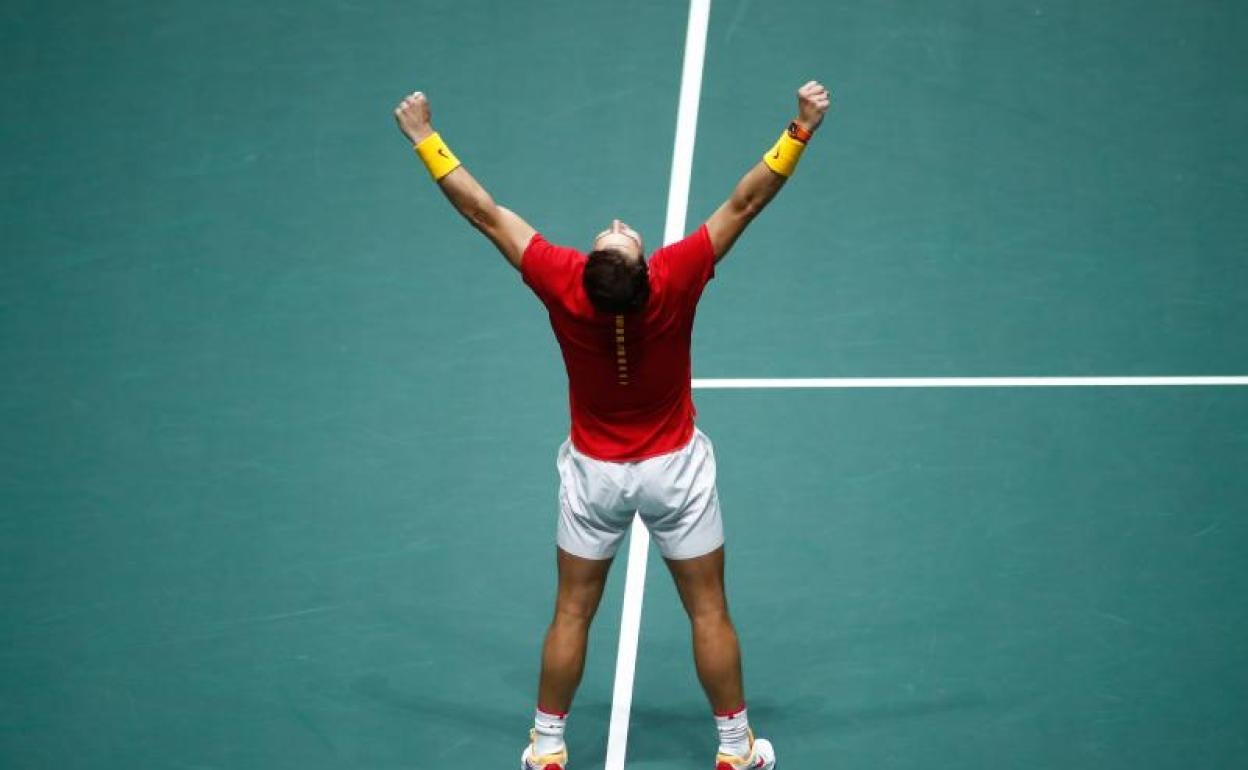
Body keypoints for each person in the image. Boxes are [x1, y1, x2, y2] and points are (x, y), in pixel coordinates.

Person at [394, 80, 830, 770]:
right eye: (620, 236)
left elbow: (482, 212)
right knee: (709, 610)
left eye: (613, 235)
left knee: (572, 612)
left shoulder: (561, 281)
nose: (619, 225)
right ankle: (735, 749)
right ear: (640, 270)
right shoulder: (677, 277)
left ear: (594, 270)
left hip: (595, 479)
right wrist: (800, 130)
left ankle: (546, 748)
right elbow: (748, 200)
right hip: (676, 473)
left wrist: (424, 138)